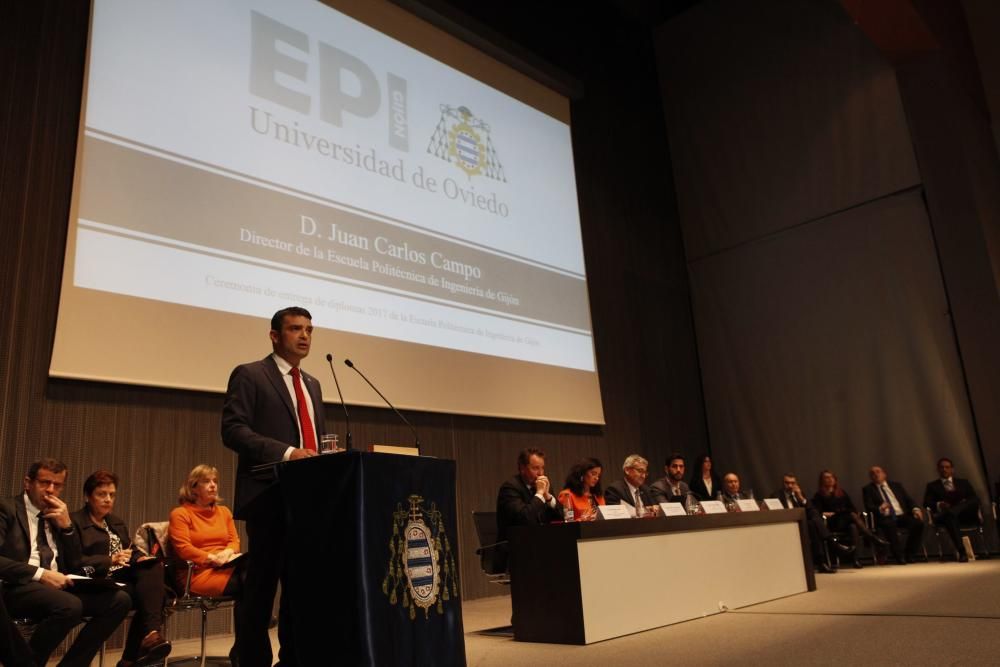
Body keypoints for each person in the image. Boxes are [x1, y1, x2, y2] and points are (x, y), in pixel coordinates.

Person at [221, 306, 327, 667]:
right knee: (261, 590)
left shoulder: (313, 383)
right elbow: (233, 430)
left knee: (300, 589)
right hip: (268, 496)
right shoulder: (251, 375)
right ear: (274, 335)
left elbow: (312, 440)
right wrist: (288, 453)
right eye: (296, 329)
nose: (305, 336)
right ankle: (251, 661)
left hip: (307, 500)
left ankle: (294, 659)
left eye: (309, 330)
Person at [0, 459, 130, 667]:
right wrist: (41, 574)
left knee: (119, 600)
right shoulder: (7, 509)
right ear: (27, 483)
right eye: (45, 483)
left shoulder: (57, 515)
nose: (51, 490)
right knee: (69, 605)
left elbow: (76, 563)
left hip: (58, 584)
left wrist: (68, 527)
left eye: (57, 485)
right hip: (18, 586)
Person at [71, 470, 171, 666]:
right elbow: (75, 561)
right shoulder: (75, 522)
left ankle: (150, 635)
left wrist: (141, 557)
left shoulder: (115, 521)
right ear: (87, 496)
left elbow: (130, 550)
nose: (108, 499)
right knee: (158, 595)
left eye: (112, 495)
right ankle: (132, 657)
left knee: (152, 568)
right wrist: (109, 560)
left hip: (121, 578)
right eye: (102, 494)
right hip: (96, 580)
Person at [168, 465, 245, 664]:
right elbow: (184, 549)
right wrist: (212, 558)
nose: (213, 486)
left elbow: (234, 541)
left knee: (255, 570)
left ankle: (244, 646)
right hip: (197, 574)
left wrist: (227, 553)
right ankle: (248, 640)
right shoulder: (180, 514)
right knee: (252, 585)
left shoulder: (224, 512)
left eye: (215, 481)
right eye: (206, 482)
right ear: (193, 488)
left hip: (227, 567)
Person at [771, 473, 853, 573]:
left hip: (803, 525)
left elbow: (811, 509)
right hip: (787, 525)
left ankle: (822, 562)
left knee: (814, 520)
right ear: (783, 483)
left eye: (792, 483)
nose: (790, 486)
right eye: (787, 483)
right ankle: (832, 546)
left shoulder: (800, 494)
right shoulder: (776, 495)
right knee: (814, 523)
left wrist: (800, 497)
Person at [496, 448, 562, 564]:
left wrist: (548, 497)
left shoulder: (544, 487)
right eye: (536, 468)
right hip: (515, 550)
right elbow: (525, 518)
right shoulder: (510, 488)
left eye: (542, 468)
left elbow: (561, 517)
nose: (541, 473)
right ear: (522, 468)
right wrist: (540, 494)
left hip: (540, 546)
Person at [813, 469, 888, 568]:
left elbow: (852, 508)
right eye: (827, 478)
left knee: (853, 526)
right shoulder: (819, 495)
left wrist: (850, 512)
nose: (830, 479)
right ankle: (872, 538)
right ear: (822, 481)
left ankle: (855, 560)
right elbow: (818, 512)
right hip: (833, 522)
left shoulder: (841, 492)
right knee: (852, 516)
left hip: (846, 520)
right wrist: (826, 513)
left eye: (832, 477)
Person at [861, 466, 924, 565]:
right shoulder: (868, 489)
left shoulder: (896, 485)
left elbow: (908, 500)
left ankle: (910, 554)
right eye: (872, 473)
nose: (876, 474)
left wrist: (915, 509)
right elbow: (868, 507)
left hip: (901, 515)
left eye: (878, 472)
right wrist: (880, 508)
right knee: (889, 525)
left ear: (884, 474)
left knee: (918, 524)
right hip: (884, 517)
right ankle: (899, 556)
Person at [923, 458, 981, 562]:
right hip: (948, 518)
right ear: (938, 470)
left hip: (965, 515)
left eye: (947, 467)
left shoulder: (963, 482)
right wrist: (939, 504)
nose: (944, 469)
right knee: (950, 518)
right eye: (942, 467)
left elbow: (974, 498)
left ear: (952, 470)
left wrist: (961, 504)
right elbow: (926, 503)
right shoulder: (932, 486)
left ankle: (951, 511)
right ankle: (962, 553)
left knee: (970, 502)